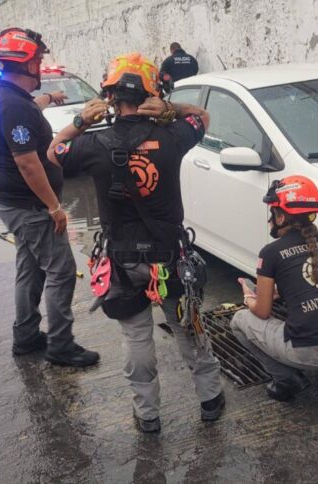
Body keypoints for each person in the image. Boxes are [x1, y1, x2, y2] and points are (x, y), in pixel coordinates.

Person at [47, 53, 224, 433]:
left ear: (110, 97)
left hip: (122, 260)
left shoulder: (93, 144)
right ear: (151, 94)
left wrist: (80, 121)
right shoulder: (173, 135)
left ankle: (148, 415)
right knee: (186, 326)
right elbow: (203, 117)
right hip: (170, 256)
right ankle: (210, 398)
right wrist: (171, 109)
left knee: (136, 337)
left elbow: (54, 151)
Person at [0, 27, 99, 367]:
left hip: (16, 203)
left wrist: (49, 98)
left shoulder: (10, 96)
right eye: (36, 60)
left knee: (30, 269)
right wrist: (54, 207)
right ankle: (61, 345)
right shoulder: (12, 104)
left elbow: (28, 111)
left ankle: (26, 336)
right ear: (24, 64)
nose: (40, 66)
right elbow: (27, 163)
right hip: (30, 207)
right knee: (61, 271)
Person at [230, 176, 318, 402]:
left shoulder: (270, 252)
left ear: (281, 216)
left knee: (239, 321)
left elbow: (262, 311)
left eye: (272, 213)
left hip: (308, 354)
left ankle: (286, 379)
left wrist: (249, 298)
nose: (270, 219)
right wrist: (282, 292)